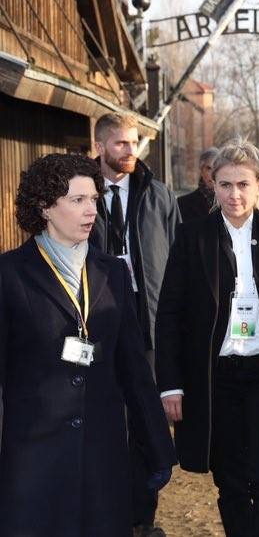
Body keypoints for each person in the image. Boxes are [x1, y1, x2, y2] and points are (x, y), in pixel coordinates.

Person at [0, 153, 176, 536]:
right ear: (45, 206)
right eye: (77, 200)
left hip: (102, 454)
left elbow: (133, 368)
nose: (90, 210)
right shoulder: (9, 274)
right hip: (33, 461)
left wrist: (157, 446)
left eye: (94, 199)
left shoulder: (112, 271)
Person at [156, 140, 259, 537]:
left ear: (258, 184)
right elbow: (170, 314)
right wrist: (171, 384)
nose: (234, 194)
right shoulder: (192, 236)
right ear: (212, 186)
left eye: (243, 184)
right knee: (229, 478)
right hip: (216, 377)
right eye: (225, 184)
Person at [89, 112, 180, 537]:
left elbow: (177, 262)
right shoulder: (81, 192)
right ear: (101, 145)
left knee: (147, 419)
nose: (129, 151)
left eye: (134, 143)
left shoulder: (158, 195)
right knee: (105, 419)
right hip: (98, 325)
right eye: (121, 143)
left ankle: (144, 516)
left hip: (149, 325)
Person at [178, 147, 219, 222]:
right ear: (201, 170)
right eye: (209, 168)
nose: (213, 174)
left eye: (217, 168)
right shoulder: (183, 204)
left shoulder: (231, 201)